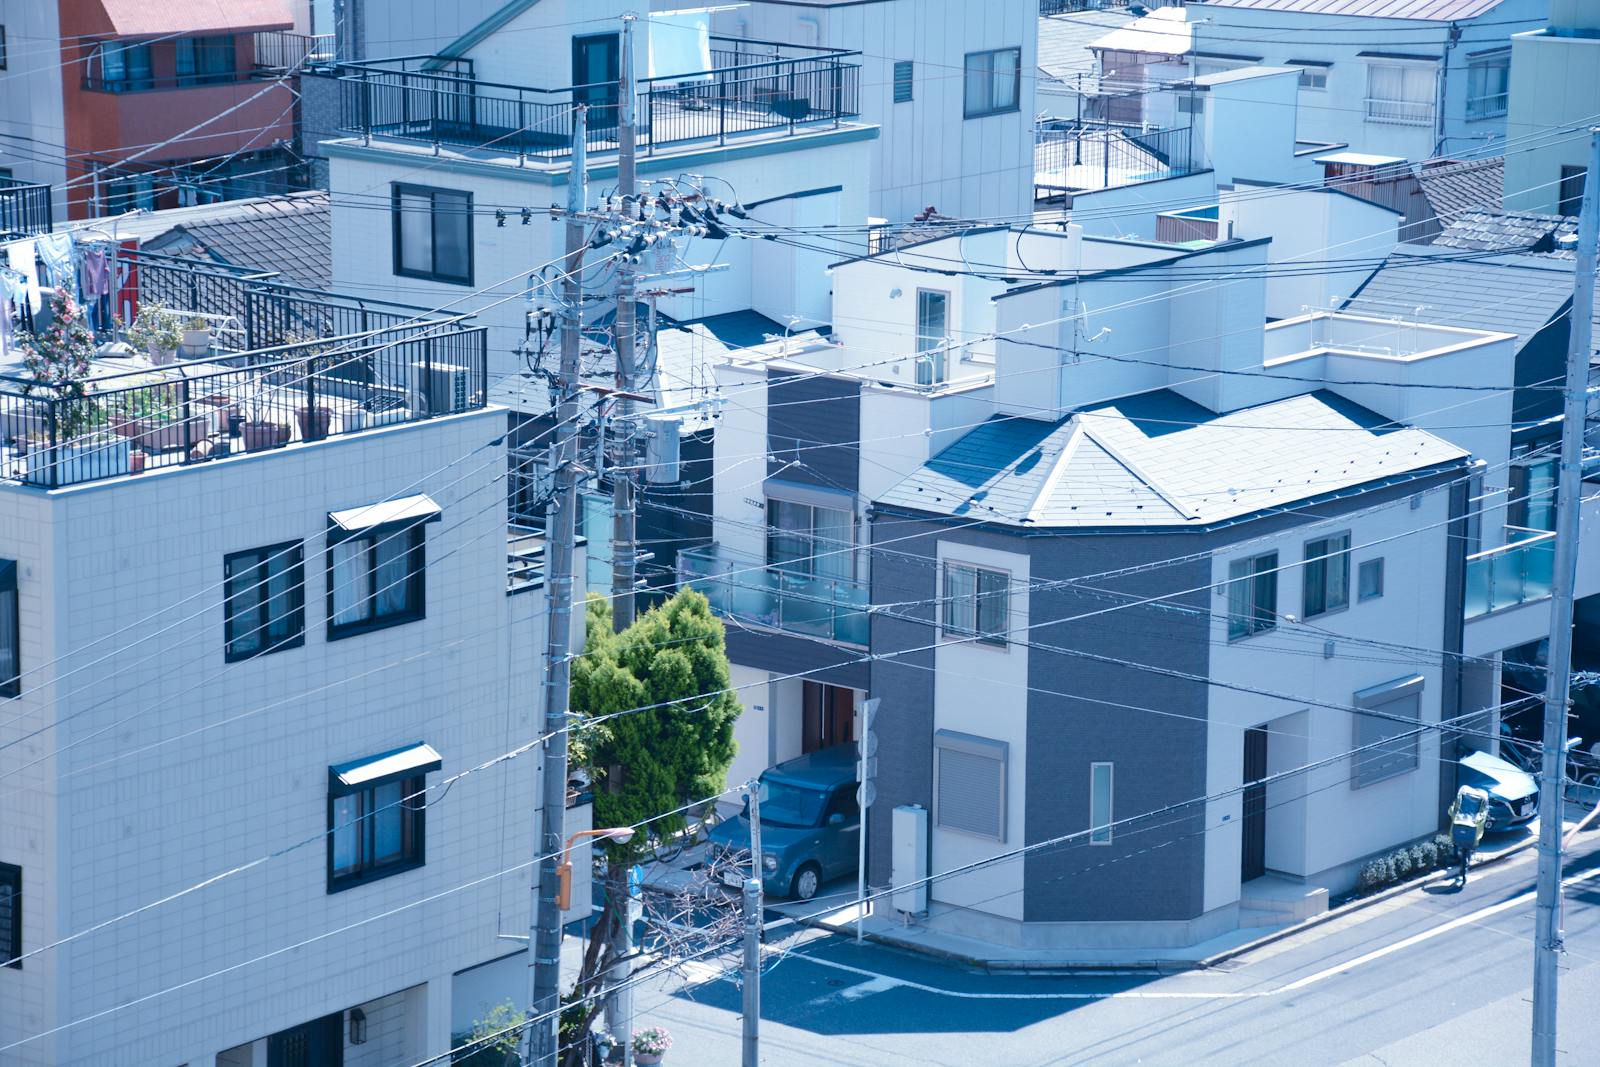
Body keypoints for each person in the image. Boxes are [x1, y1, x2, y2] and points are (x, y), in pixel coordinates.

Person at [1448, 786, 1490, 885]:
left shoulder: (1460, 805)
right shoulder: (1480, 810)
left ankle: (1458, 860)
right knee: (1468, 850)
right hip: (1472, 833)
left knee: (1459, 844)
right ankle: (1464, 868)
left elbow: (1451, 811)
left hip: (1459, 828)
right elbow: (1482, 817)